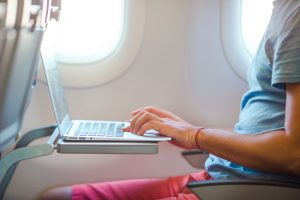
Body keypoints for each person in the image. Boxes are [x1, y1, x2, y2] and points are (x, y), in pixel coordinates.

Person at [39, 0, 300, 199]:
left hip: (249, 188)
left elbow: (293, 154)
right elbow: (266, 128)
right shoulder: (284, 9)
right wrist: (188, 131)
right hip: (222, 175)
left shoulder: (296, 16)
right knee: (56, 197)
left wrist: (195, 135)